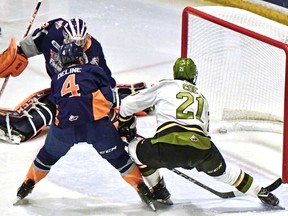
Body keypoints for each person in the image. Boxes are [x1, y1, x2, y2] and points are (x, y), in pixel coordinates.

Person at [117, 57, 280, 207]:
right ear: (194, 76)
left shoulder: (166, 85)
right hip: (201, 150)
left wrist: (126, 124)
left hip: (166, 148)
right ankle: (261, 192)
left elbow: (127, 104)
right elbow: (204, 131)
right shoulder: (202, 98)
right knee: (225, 173)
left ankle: (159, 190)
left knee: (134, 148)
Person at [14, 42, 156, 210]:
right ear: (81, 57)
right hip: (96, 126)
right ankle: (142, 189)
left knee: (47, 157)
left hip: (64, 130)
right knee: (119, 159)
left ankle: (27, 185)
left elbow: (59, 104)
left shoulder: (56, 79)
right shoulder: (93, 70)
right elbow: (109, 98)